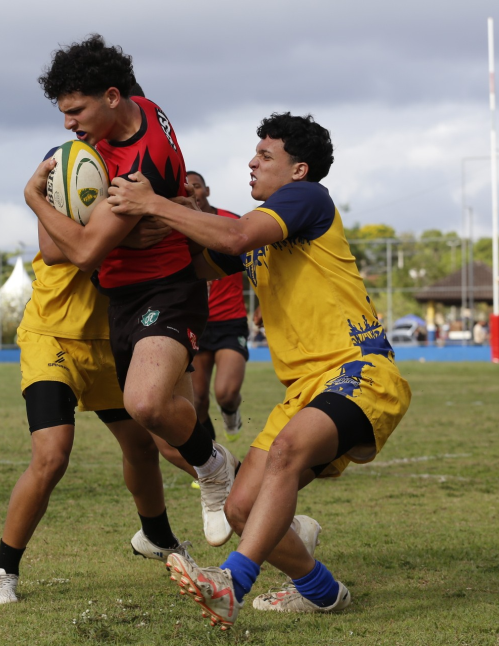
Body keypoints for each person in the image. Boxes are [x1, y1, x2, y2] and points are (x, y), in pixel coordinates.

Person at [109, 112, 412, 629]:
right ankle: (322, 592)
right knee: (240, 509)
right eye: (254, 153)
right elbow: (198, 262)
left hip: (358, 370)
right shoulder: (262, 233)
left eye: (265, 155)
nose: (252, 162)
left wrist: (153, 203)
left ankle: (231, 582)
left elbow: (233, 237)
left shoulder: (306, 198)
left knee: (287, 452)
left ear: (299, 170)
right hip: (303, 391)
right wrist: (160, 221)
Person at [25, 35, 237, 546]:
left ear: (112, 97)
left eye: (76, 111)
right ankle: (286, 525)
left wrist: (34, 197)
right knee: (169, 436)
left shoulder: (130, 169)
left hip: (163, 290)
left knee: (145, 405)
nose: (68, 124)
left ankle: (215, 470)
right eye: (63, 112)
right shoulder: (145, 107)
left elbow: (77, 252)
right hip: (121, 302)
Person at [0, 145, 195, 603]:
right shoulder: (63, 180)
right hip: (52, 338)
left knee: (142, 446)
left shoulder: (130, 180)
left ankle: (156, 537)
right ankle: (2, 569)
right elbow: (58, 249)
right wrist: (128, 232)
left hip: (110, 339)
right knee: (52, 456)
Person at [185, 171, 249, 442]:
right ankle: (213, 458)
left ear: (207, 190)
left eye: (196, 185)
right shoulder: (178, 228)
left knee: (226, 393)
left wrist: (263, 302)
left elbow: (258, 259)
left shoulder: (232, 222)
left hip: (230, 321)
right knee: (197, 399)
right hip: (195, 322)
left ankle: (231, 412)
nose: (192, 191)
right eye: (186, 187)